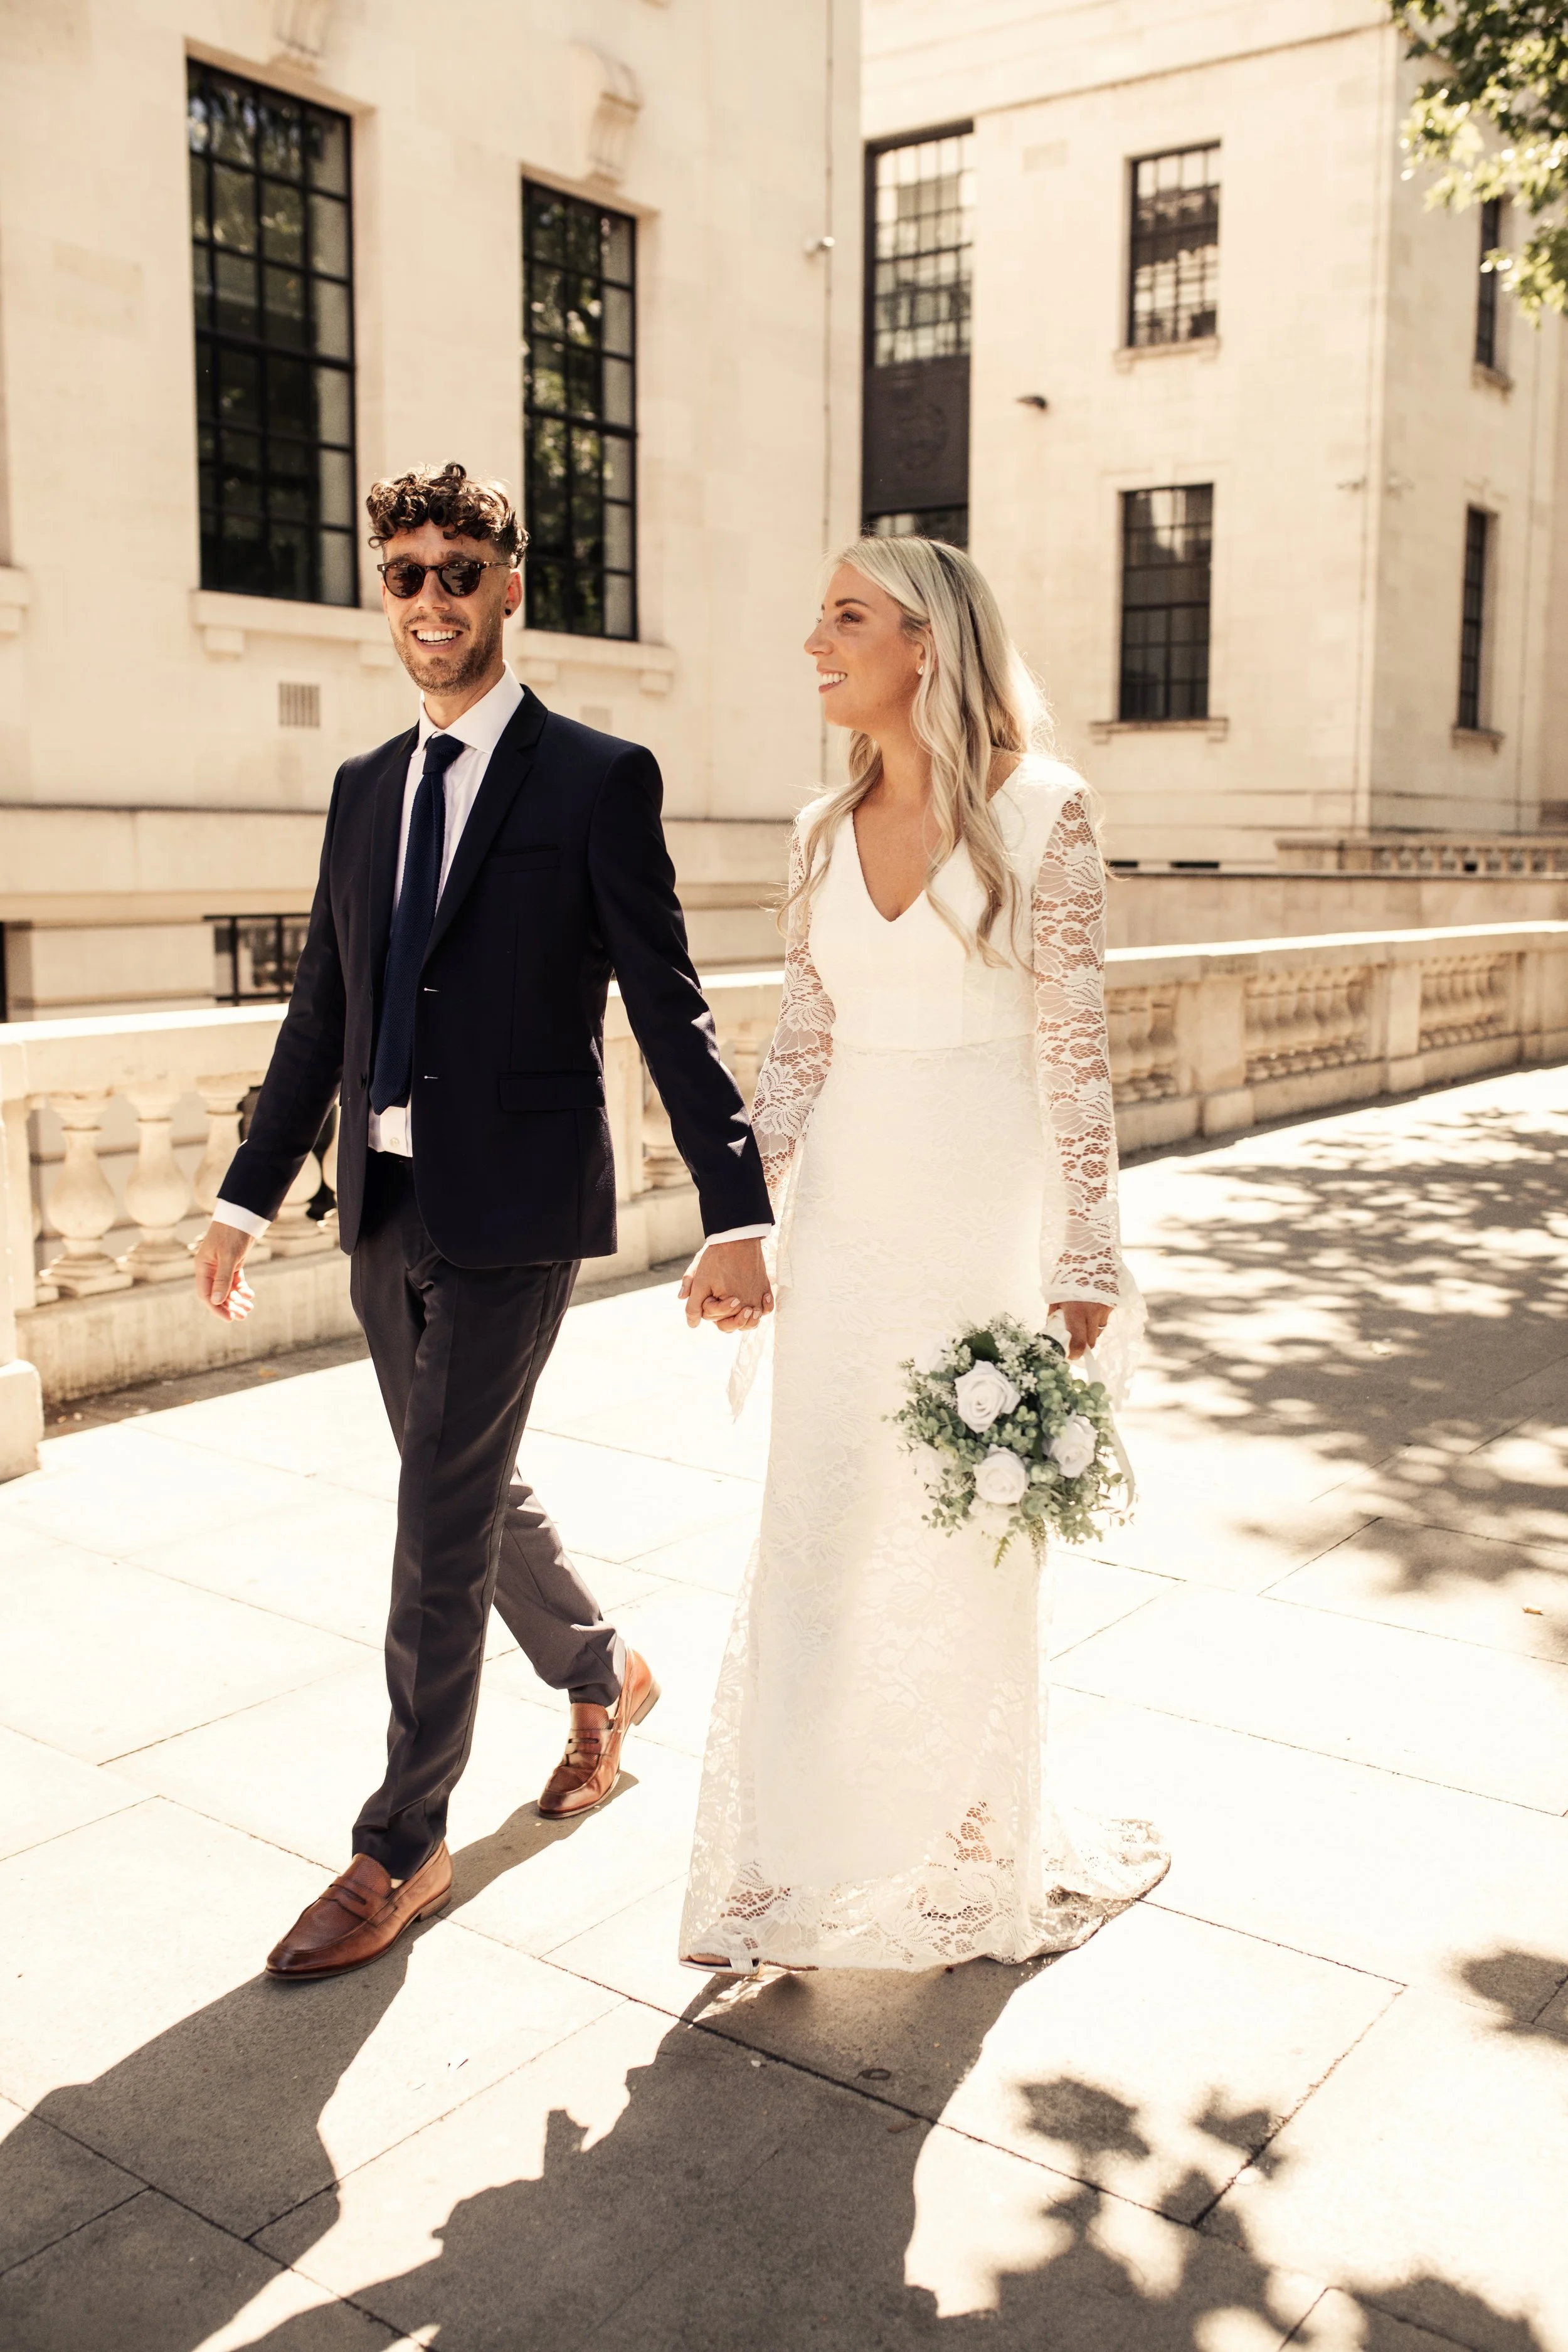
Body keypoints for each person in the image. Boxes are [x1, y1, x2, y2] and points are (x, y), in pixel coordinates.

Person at [193, 463, 773, 1981]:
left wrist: (736, 1211)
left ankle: (399, 1845)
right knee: (468, 1482)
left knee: (437, 1517)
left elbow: (669, 1003)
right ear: (381, 593)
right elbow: (321, 1010)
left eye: (462, 570)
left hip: (516, 1210)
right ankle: (606, 1673)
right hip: (381, 1207)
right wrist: (243, 1198)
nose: (433, 598)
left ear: (513, 586)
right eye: (406, 573)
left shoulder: (595, 778)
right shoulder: (364, 789)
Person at [679, 536, 1168, 1973]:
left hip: (979, 1216)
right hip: (843, 1219)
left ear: (927, 644)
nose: (813, 641)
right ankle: (785, 1861)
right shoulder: (816, 833)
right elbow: (800, 1047)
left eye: (844, 616)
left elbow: (1073, 1053)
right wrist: (740, 1218)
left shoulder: (1044, 813)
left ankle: (967, 1847)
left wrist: (1086, 1253)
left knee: (965, 1527)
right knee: (820, 1530)